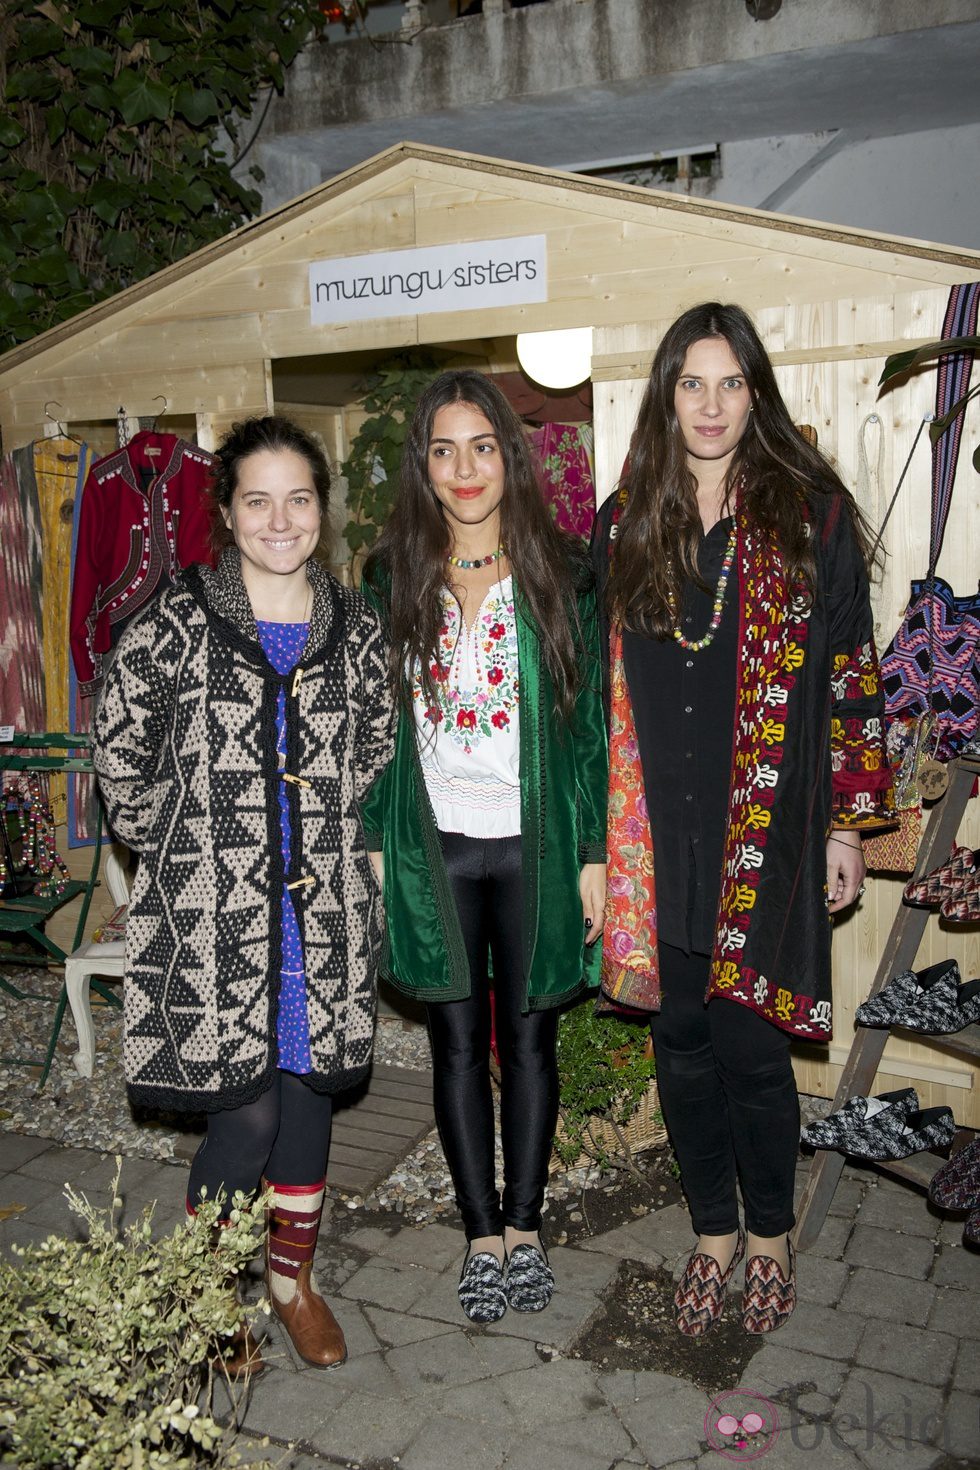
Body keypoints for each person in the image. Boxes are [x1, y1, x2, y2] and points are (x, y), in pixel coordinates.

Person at [591, 303, 894, 1337]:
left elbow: (852, 674)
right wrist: (597, 844)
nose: (710, 406)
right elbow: (595, 689)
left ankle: (770, 1236)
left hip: (764, 825)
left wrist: (847, 825)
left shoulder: (804, 512)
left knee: (749, 1047)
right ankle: (709, 1230)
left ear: (753, 392)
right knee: (677, 1040)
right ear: (665, 396)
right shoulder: (624, 513)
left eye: (729, 384)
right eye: (690, 384)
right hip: (654, 828)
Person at [93, 415, 394, 1373]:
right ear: (227, 512)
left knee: (306, 1101)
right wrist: (182, 850)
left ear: (322, 511)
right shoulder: (178, 617)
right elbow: (120, 750)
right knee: (247, 1115)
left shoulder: (356, 627)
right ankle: (209, 1292)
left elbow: (377, 750)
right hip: (212, 920)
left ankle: (291, 1284)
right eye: (257, 499)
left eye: (298, 498)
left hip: (322, 917)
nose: (279, 519)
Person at [361, 369, 607, 1323]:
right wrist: (378, 839)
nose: (464, 470)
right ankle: (479, 1236)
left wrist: (591, 851)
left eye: (482, 447)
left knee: (531, 1039)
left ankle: (527, 1228)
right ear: (423, 465)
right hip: (437, 847)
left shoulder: (566, 572)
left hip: (533, 846)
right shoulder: (392, 574)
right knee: (457, 1045)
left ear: (511, 455)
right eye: (443, 449)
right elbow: (376, 725)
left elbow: (585, 728)